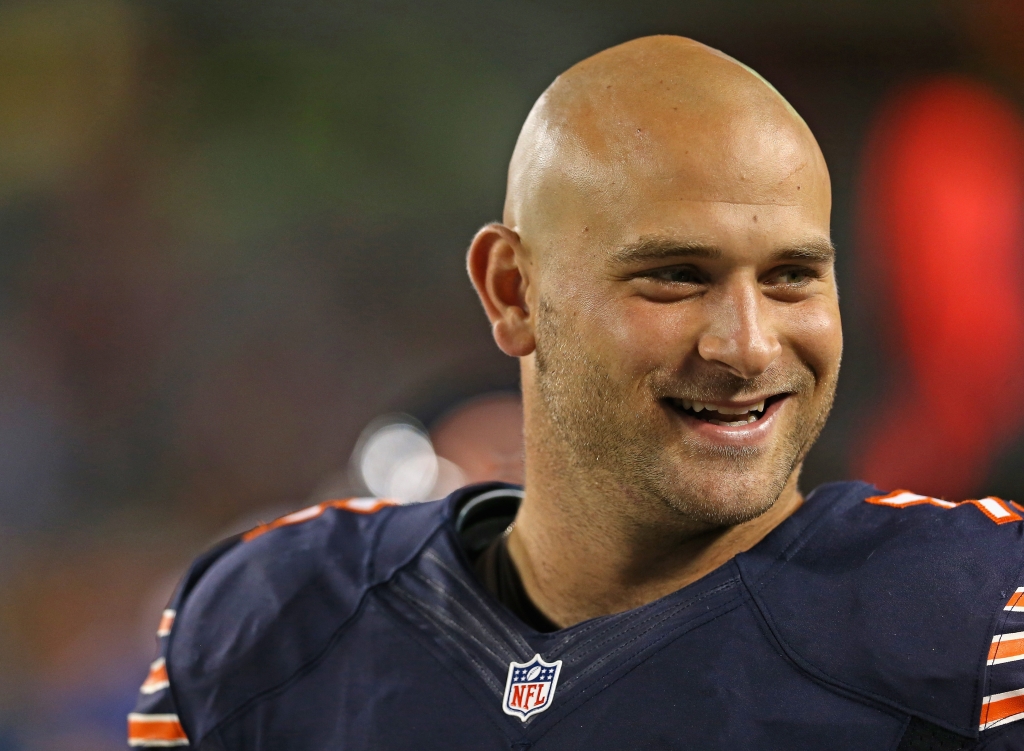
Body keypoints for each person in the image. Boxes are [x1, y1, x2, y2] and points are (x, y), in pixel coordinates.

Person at [127, 36, 1024, 750]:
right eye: (675, 276)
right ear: (513, 292)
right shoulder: (266, 627)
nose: (749, 344)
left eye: (792, 276)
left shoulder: (976, 626)